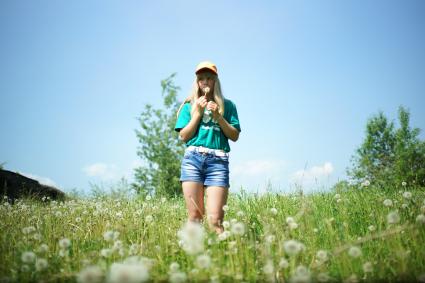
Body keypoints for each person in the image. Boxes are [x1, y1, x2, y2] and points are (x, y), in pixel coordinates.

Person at [174, 61, 241, 234]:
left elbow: (234, 136)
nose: (205, 82)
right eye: (201, 78)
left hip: (218, 162)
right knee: (195, 216)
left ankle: (221, 258)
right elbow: (183, 136)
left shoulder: (229, 106)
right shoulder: (188, 106)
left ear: (215, 82)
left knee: (215, 221)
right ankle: (192, 256)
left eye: (209, 78)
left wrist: (219, 117)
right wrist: (197, 114)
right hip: (192, 161)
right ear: (197, 82)